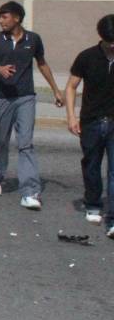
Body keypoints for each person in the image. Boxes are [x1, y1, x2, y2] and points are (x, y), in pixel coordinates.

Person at [0, 1, 65, 210]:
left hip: (25, 98)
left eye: (5, 16)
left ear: (17, 18)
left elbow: (42, 64)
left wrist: (56, 89)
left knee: (25, 143)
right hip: (1, 99)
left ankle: (30, 192)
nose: (1, 20)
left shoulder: (33, 39)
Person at [64, 14, 114, 233]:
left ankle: (112, 219)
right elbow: (71, 86)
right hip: (91, 121)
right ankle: (93, 203)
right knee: (91, 165)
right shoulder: (87, 57)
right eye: (109, 41)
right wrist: (71, 116)